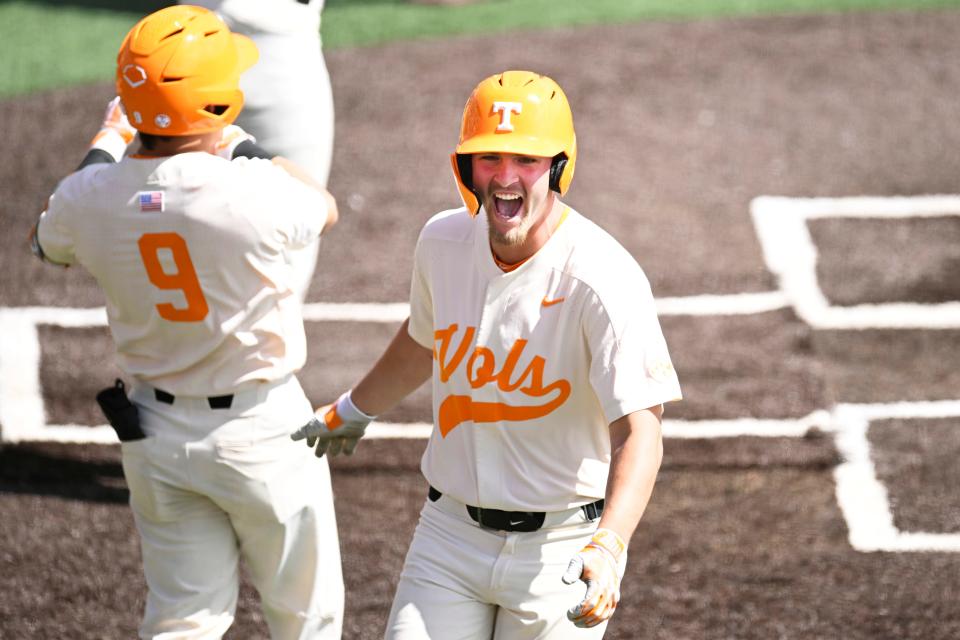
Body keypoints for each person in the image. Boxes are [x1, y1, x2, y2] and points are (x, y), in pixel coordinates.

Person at [292, 70, 683, 639]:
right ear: (464, 168)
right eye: (489, 158)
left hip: (562, 550)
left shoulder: (602, 276)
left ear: (558, 167)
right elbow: (424, 338)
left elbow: (641, 431)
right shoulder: (441, 242)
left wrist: (612, 544)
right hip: (448, 538)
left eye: (525, 159)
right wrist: (354, 408)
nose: (505, 177)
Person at [29, 6, 343, 639]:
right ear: (219, 103)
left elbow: (51, 238)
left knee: (183, 620)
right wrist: (238, 143)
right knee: (305, 620)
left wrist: (108, 140)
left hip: (157, 437)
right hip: (262, 432)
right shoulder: (250, 192)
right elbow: (322, 205)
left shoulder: (85, 199)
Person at [184, 0, 334, 301]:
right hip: (276, 51)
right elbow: (323, 209)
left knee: (169, 215)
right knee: (287, 264)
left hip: (189, 48)